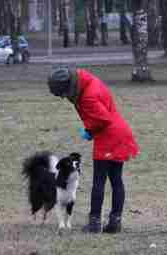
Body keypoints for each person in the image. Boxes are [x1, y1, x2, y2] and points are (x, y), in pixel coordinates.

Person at [47, 67, 139, 234]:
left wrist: (89, 131)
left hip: (109, 136)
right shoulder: (87, 82)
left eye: (61, 93)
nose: (63, 97)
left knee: (99, 181)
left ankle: (95, 222)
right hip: (119, 132)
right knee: (116, 179)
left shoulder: (88, 96)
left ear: (68, 87)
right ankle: (115, 222)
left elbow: (103, 119)